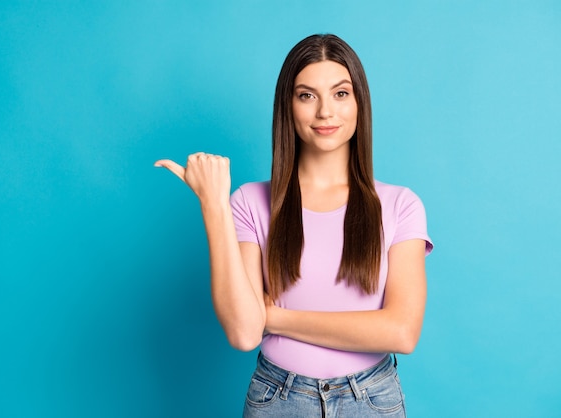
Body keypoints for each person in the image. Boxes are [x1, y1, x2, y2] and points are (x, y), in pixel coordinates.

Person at [155, 34, 433, 418]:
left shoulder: (400, 204)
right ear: (287, 105)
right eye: (307, 95)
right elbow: (244, 332)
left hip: (371, 399)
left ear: (359, 103)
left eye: (340, 94)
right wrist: (214, 205)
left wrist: (277, 317)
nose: (325, 112)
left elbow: (402, 332)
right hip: (279, 399)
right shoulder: (250, 202)